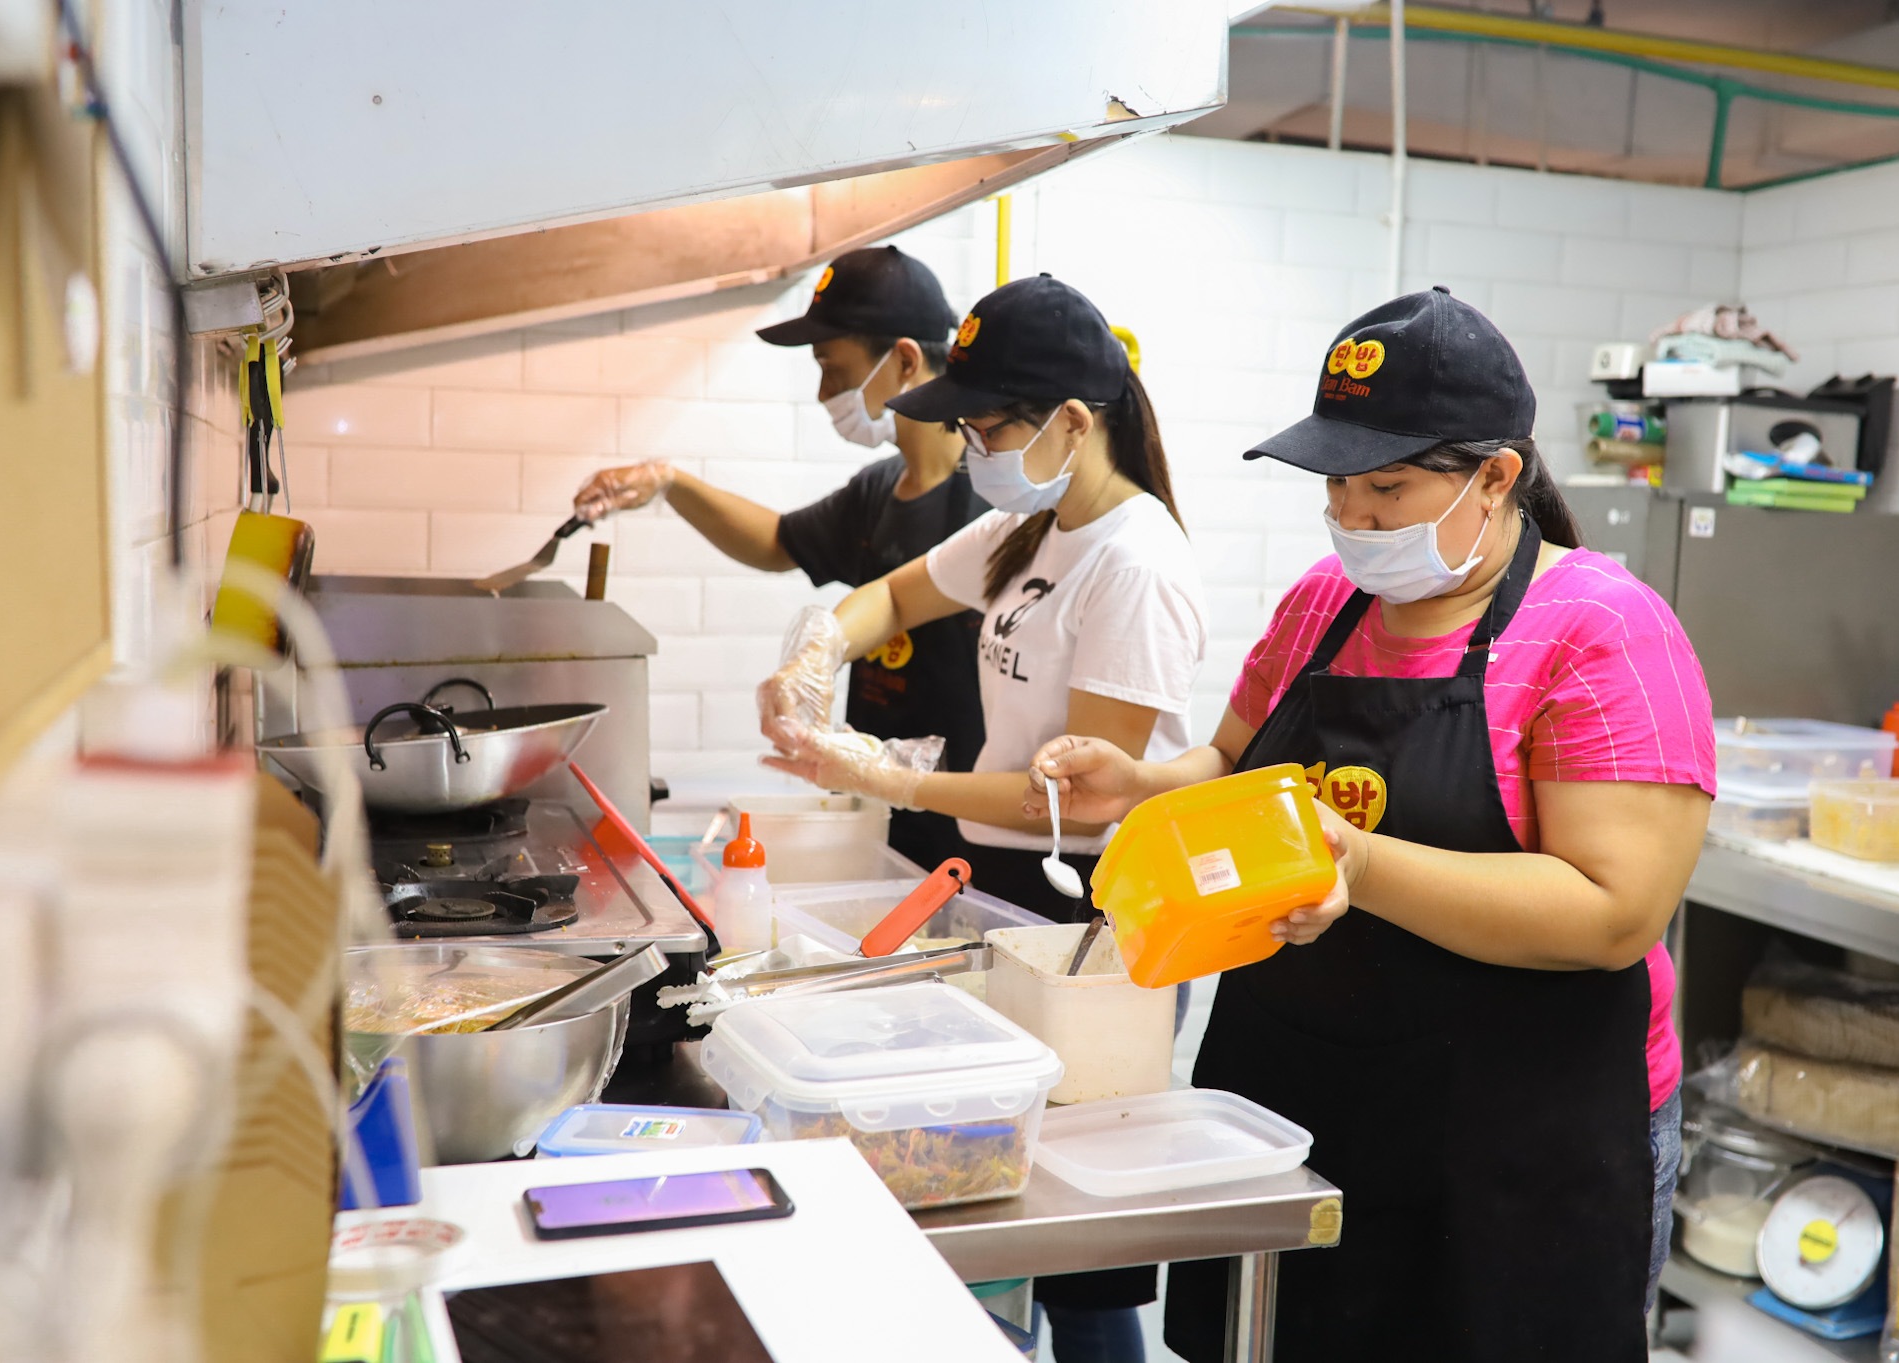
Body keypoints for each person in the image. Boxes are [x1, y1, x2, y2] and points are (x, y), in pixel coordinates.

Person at [1024, 287, 1713, 1361]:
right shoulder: (1321, 603)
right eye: (1336, 486)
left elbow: (1610, 911)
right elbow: (1231, 762)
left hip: (1514, 1133)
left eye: (1387, 487)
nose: (1352, 518)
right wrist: (1144, 780)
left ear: (1496, 475)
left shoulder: (1600, 630)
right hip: (1303, 1096)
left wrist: (1348, 856)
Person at [756, 274, 1206, 1363]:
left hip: (1097, 919)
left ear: (1072, 422)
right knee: (1002, 1185)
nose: (971, 442)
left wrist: (891, 777)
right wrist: (816, 645)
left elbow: (1075, 799)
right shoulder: (1026, 528)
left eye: (988, 423)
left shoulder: (1131, 564)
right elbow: (897, 596)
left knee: (1075, 1237)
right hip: (1009, 895)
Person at [573, 245, 990, 871]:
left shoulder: (989, 504)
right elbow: (777, 542)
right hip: (884, 805)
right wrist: (670, 483)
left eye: (833, 367)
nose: (824, 391)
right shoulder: (879, 490)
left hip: (973, 813)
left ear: (904, 359)